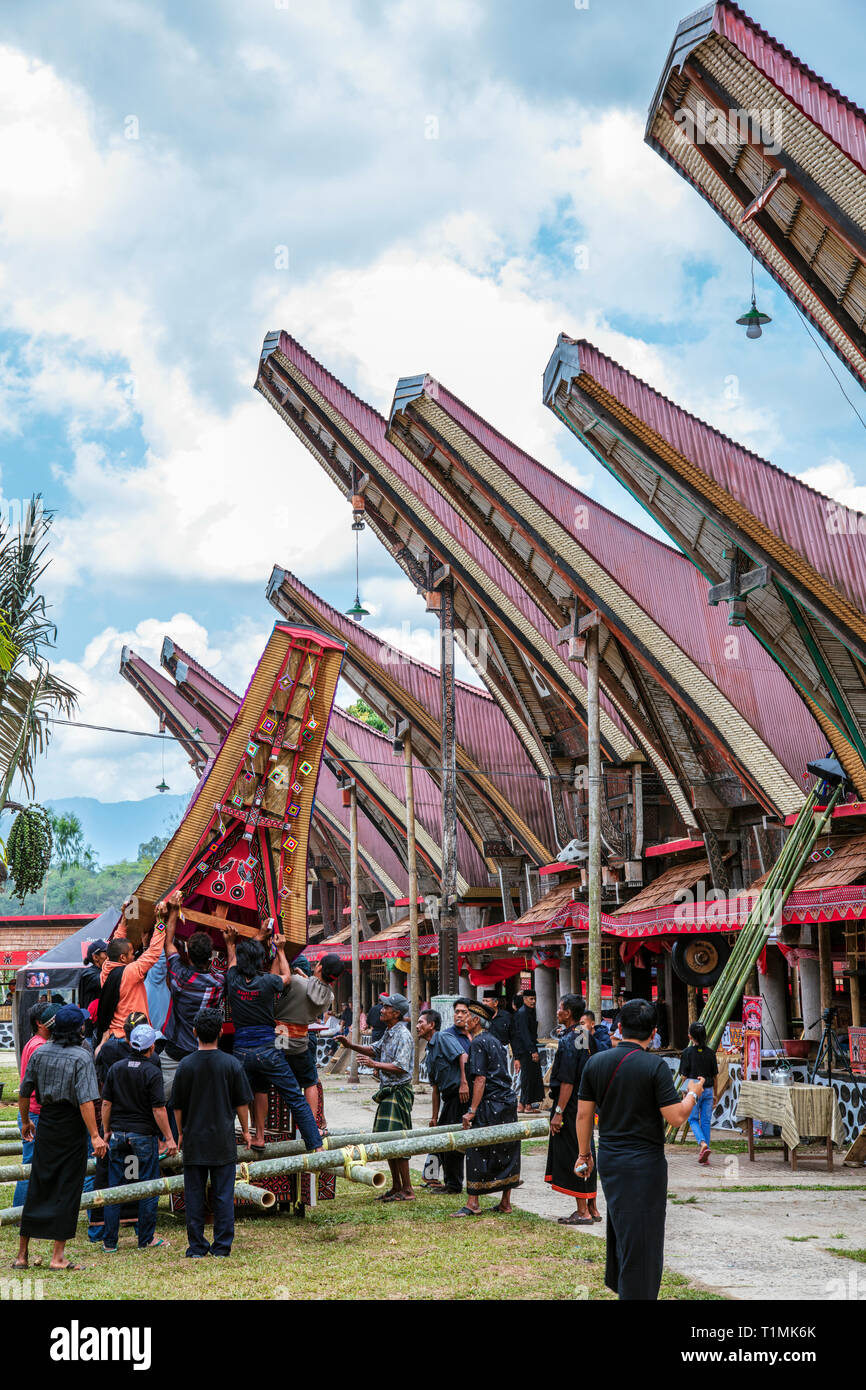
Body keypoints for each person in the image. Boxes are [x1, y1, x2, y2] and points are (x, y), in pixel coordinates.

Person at [576, 998, 704, 1300]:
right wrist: (693, 1093)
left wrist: (584, 1155)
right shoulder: (654, 1066)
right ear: (653, 1033)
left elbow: (583, 1116)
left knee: (624, 1226)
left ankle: (625, 1288)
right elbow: (676, 1116)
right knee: (643, 1236)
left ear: (618, 1028)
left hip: (610, 1158)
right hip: (645, 1163)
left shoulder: (596, 1062)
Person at [14, 1005, 107, 1272]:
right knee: (67, 1188)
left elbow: (24, 1089)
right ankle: (57, 1257)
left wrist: (27, 1121)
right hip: (71, 1126)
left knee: (39, 1185)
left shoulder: (40, 1052)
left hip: (48, 1122)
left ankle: (22, 1255)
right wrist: (95, 1135)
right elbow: (86, 1100)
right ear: (79, 1029)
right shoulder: (81, 1056)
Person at [224, 929, 321, 1153]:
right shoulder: (267, 981)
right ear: (260, 962)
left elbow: (232, 961)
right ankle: (316, 1146)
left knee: (230, 1103)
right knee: (295, 1098)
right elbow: (286, 977)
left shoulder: (233, 979)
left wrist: (230, 942)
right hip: (269, 1050)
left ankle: (232, 1146)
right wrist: (280, 949)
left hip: (241, 1052)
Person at [170, 1007, 253, 1258]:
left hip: (194, 1139)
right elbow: (241, 1103)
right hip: (222, 1140)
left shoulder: (185, 1065)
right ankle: (222, 1246)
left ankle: (196, 1246)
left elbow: (178, 1105)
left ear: (194, 1032)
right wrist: (246, 1132)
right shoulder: (231, 1064)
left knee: (194, 1195)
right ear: (220, 1032)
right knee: (223, 1195)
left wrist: (181, 1133)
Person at [100, 1023, 177, 1252]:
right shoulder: (152, 1071)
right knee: (147, 1187)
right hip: (143, 1137)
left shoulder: (116, 1068)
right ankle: (146, 1239)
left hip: (118, 1136)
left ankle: (110, 1242)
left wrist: (106, 1131)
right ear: (151, 1047)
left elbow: (106, 1103)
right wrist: (169, 1137)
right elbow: (158, 1109)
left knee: (115, 1188)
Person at [337, 993, 415, 1201]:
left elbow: (401, 1066)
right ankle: (397, 1186)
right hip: (387, 1090)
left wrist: (375, 1065)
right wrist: (350, 1045)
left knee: (399, 1140)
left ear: (396, 1013)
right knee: (386, 1140)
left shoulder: (403, 1035)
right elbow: (374, 1049)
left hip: (398, 1091)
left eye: (386, 1007)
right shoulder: (390, 1032)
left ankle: (407, 1189)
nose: (381, 1010)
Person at [454, 999, 521, 1216]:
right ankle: (505, 1202)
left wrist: (472, 1110)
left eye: (467, 1016)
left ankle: (473, 1203)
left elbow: (480, 1079)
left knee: (477, 1148)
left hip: (491, 1103)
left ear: (476, 1021)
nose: (463, 1019)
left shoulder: (478, 1043)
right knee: (506, 1149)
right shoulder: (496, 1041)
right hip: (507, 1102)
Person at [161, 892, 225, 1106]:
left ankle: (169, 1137)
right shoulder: (218, 983)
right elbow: (232, 968)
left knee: (166, 1099)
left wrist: (172, 912)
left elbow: (168, 943)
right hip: (204, 1049)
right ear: (211, 955)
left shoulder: (180, 976)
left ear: (187, 952)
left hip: (177, 1048)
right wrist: (230, 942)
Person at [271, 951, 344, 1127]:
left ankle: (273, 1122)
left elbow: (274, 980)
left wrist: (280, 951)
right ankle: (310, 1125)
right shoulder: (328, 997)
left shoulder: (296, 982)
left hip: (279, 1037)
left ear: (318, 966)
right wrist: (306, 977)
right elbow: (314, 988)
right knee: (310, 1081)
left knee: (275, 1079)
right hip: (301, 1041)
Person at [545, 994, 600, 1225]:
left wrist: (558, 1111)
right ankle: (593, 1207)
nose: (557, 1011)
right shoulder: (585, 1035)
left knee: (574, 1152)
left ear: (567, 1013)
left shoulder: (569, 1040)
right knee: (586, 1148)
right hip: (585, 1101)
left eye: (559, 1008)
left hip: (570, 1105)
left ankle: (582, 1211)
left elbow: (567, 1080)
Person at [417, 1010, 470, 1194]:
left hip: (460, 1095)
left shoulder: (443, 1038)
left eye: (421, 1022)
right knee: (443, 1138)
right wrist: (434, 1117)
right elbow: (435, 1088)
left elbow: (462, 1057)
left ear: (432, 1025)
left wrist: (464, 1083)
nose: (417, 1026)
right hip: (448, 1098)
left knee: (452, 1140)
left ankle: (454, 1185)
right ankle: (450, 1183)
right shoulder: (429, 1051)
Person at [97, 907, 167, 1039]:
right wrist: (161, 921)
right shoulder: (129, 972)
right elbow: (154, 953)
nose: (134, 956)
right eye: (131, 954)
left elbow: (116, 943)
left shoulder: (106, 968)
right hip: (131, 1037)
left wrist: (124, 920)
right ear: (122, 958)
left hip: (114, 1034)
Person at [13, 1003, 57, 1208]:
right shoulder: (39, 1046)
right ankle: (20, 1212)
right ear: (40, 1023)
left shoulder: (36, 1042)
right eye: (50, 1018)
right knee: (30, 1164)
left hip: (34, 1112)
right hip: (34, 1113)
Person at [679, 1020, 719, 1165]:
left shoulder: (687, 1053)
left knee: (693, 1119)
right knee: (706, 1122)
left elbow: (684, 1075)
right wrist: (715, 1094)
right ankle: (705, 1154)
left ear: (690, 1037)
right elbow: (715, 1076)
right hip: (708, 1090)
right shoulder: (710, 1053)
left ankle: (702, 1144)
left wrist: (684, 1093)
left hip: (693, 1091)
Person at [512, 988, 543, 1111]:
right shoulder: (522, 1013)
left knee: (530, 1076)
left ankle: (525, 1104)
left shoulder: (529, 1011)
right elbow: (524, 1034)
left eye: (535, 999)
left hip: (528, 1048)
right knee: (527, 1076)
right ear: (524, 999)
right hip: (526, 1050)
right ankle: (524, 1104)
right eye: (531, 999)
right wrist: (532, 1051)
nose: (533, 1001)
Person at [78, 940, 108, 1011]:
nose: (109, 957)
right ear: (95, 957)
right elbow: (106, 981)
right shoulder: (89, 974)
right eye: (106, 953)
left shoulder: (99, 971)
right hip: (92, 1019)